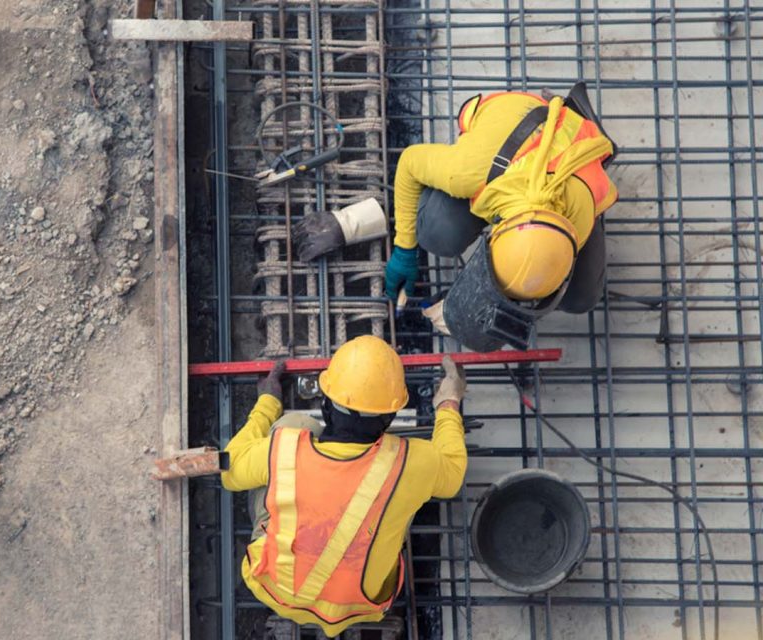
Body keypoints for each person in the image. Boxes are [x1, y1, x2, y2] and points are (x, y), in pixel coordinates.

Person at [221, 336, 468, 637]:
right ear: (389, 417)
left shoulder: (285, 449)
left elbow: (229, 471)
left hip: (275, 588)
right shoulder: (411, 462)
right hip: (362, 606)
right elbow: (454, 472)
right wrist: (448, 402)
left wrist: (267, 402)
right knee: (401, 495)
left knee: (295, 425)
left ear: (326, 405)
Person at [385, 82, 618, 351]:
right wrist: (405, 247)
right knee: (436, 233)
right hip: (512, 123)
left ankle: (582, 120)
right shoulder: (468, 171)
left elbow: (536, 268)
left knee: (581, 298)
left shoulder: (583, 211)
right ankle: (568, 110)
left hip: (574, 155)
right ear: (496, 232)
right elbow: (409, 163)